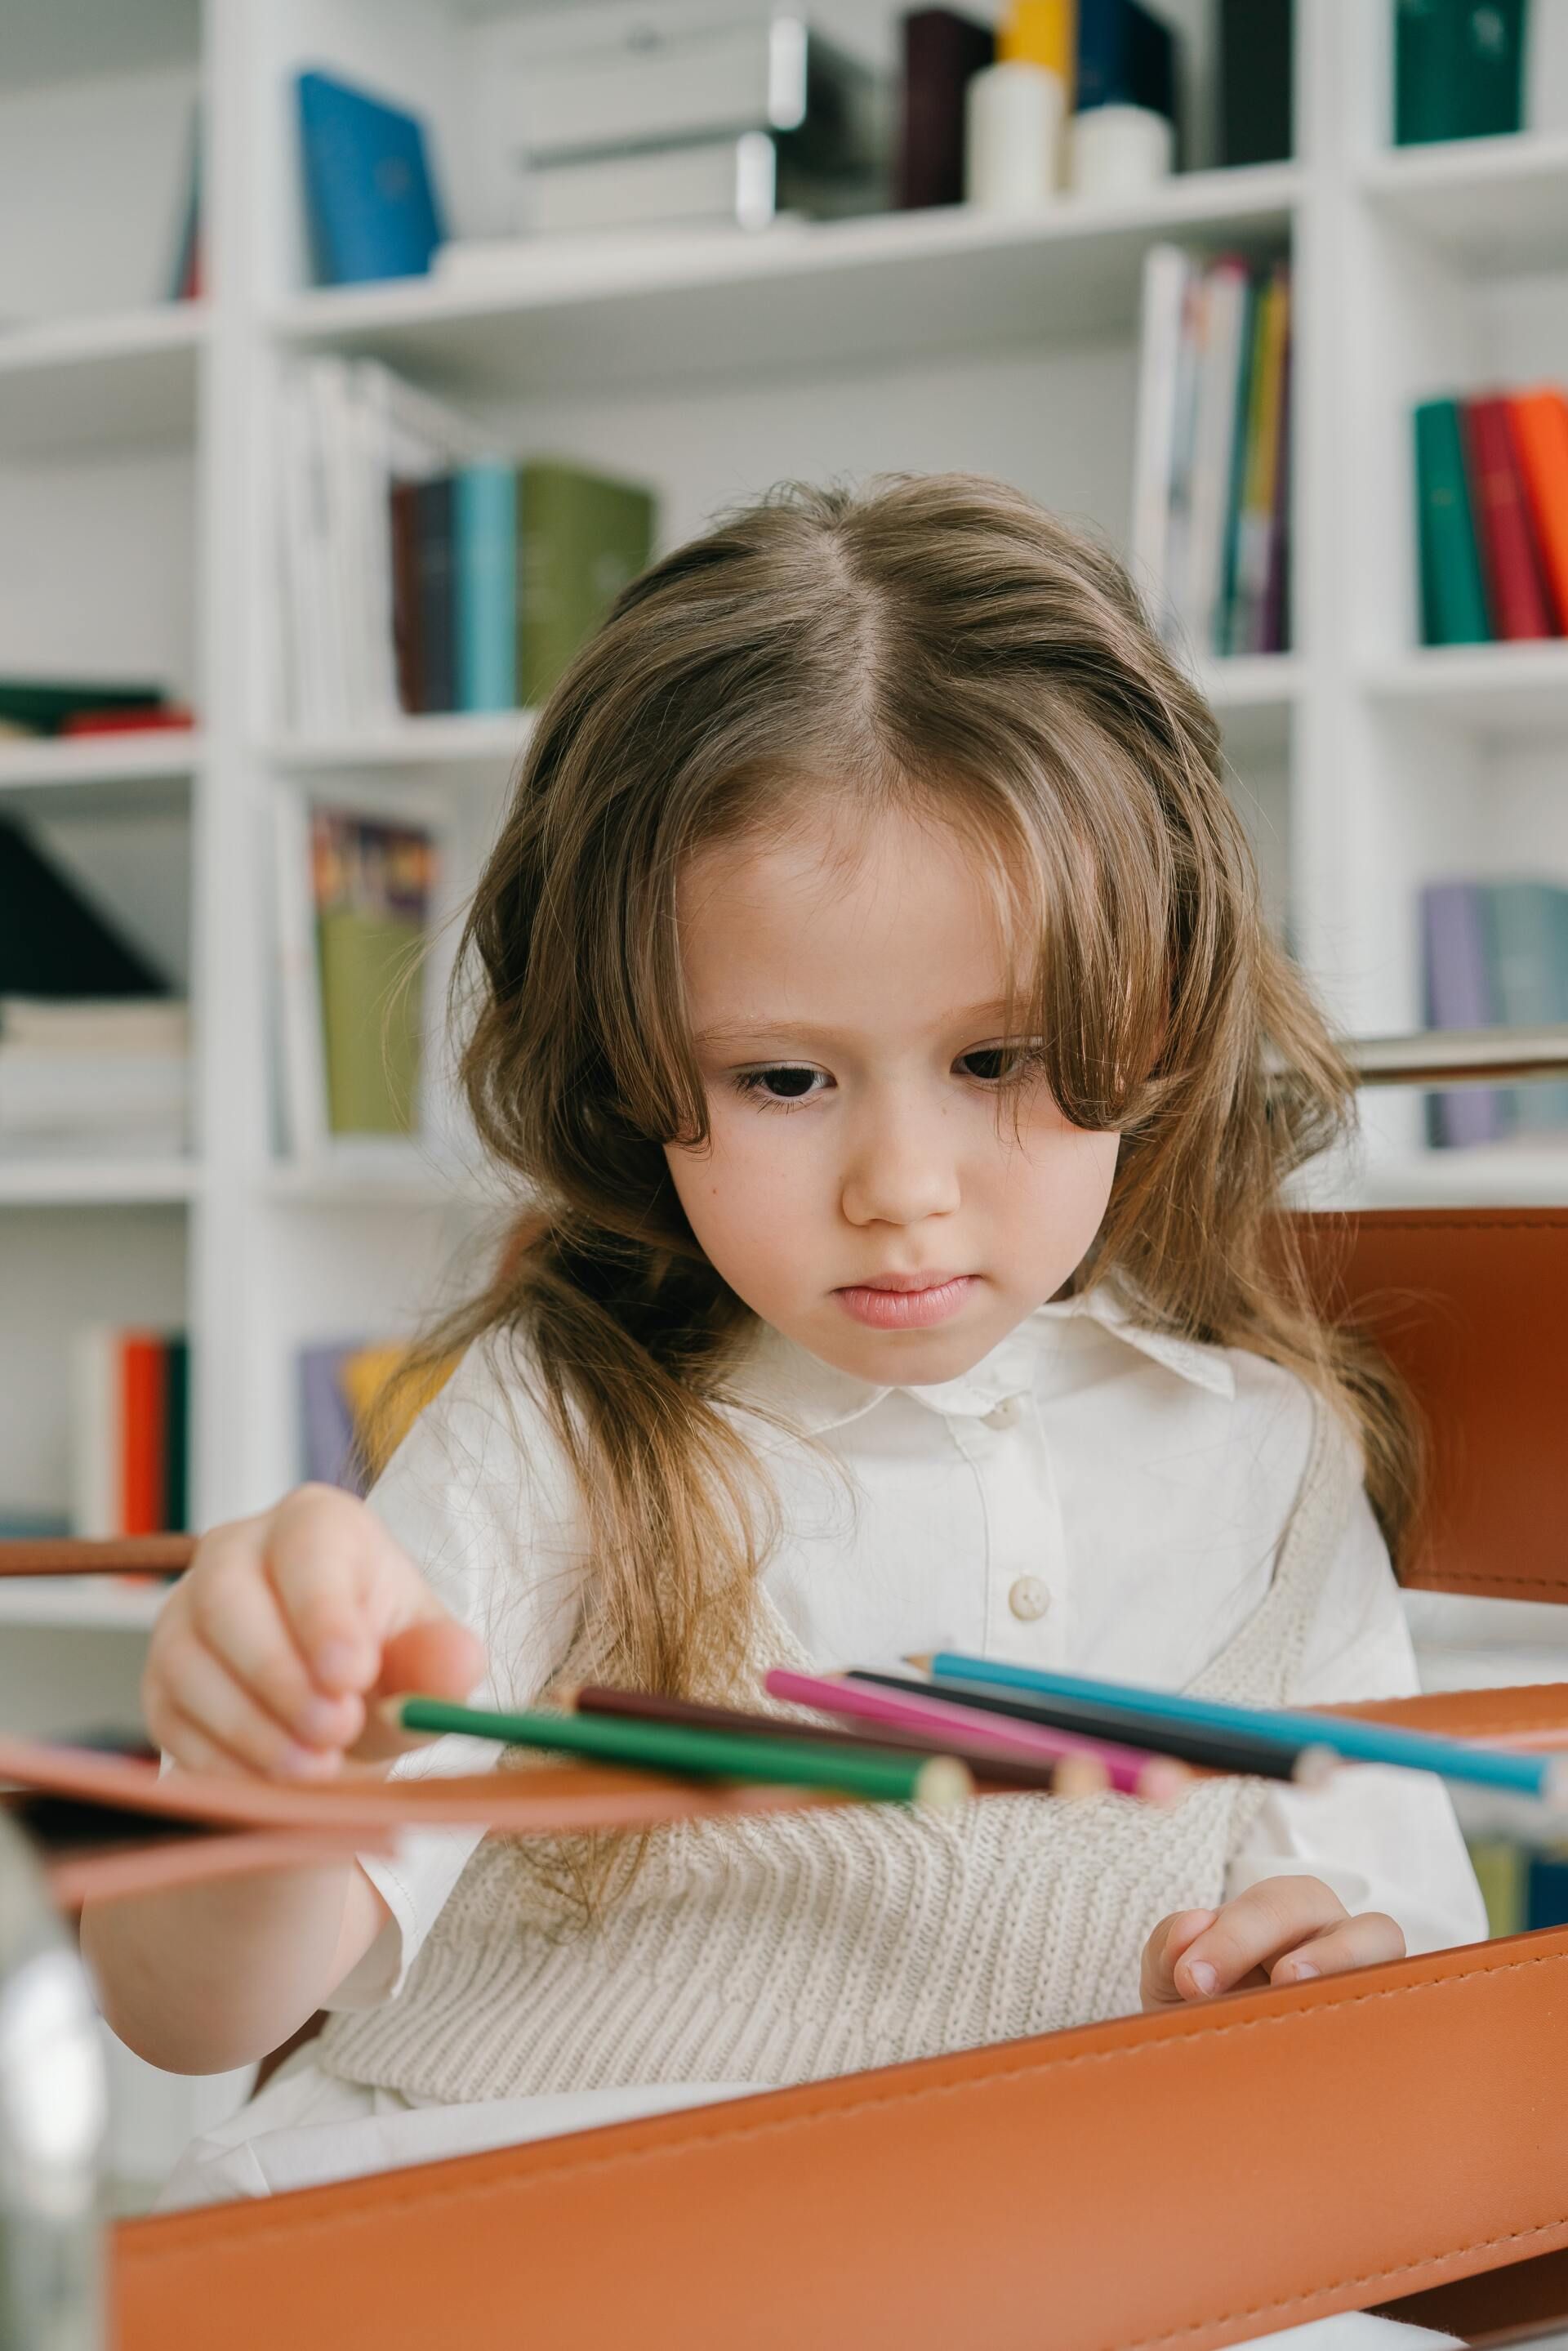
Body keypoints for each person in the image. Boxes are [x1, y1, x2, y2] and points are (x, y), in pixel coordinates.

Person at [80, 474, 1486, 2219]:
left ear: (1170, 1007)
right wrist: (254, 1786)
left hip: (1040, 2244)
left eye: (999, 1059)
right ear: (629, 1068)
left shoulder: (1269, 1462)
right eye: (784, 1079)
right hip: (517, 2230)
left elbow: (1401, 1977)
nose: (900, 1190)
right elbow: (182, 2008)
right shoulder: (564, 1433)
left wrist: (1326, 1988)